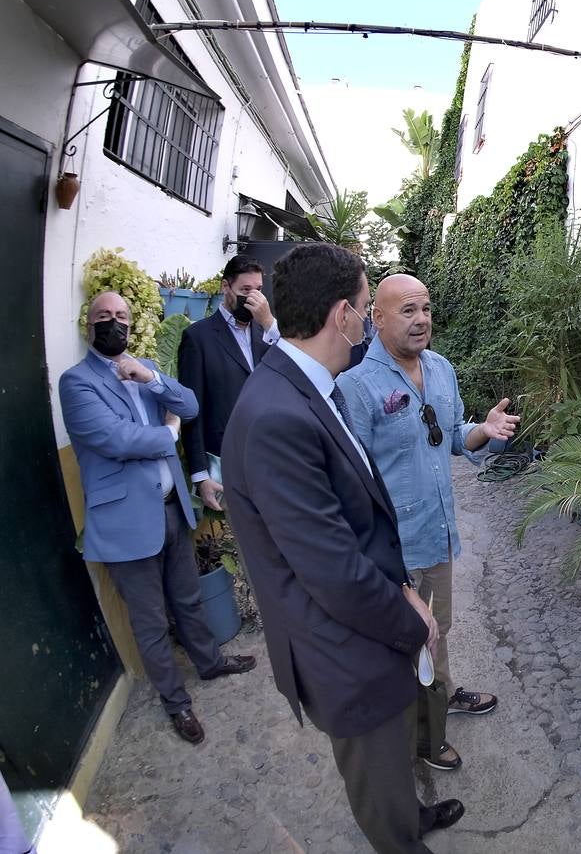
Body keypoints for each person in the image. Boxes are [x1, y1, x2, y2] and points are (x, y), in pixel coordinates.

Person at [221, 245, 462, 853]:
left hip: (369, 619)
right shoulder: (278, 413)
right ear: (342, 316)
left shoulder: (304, 387)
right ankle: (401, 838)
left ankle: (410, 815)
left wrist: (405, 585)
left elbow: (355, 515)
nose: (363, 323)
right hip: (342, 645)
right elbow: (332, 571)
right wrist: (412, 623)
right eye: (361, 308)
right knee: (378, 773)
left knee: (393, 767)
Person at [58, 292, 256, 746]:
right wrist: (168, 432)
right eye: (104, 316)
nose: (114, 323)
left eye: (122, 316)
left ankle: (209, 662)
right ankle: (176, 704)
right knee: (150, 621)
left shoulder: (142, 368)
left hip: (171, 510)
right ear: (88, 325)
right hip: (126, 522)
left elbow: (189, 405)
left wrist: (152, 377)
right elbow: (116, 439)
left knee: (187, 600)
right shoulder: (77, 382)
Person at [336, 273, 515, 771]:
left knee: (441, 631)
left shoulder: (440, 368)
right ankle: (423, 737)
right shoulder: (355, 387)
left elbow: (454, 437)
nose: (421, 321)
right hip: (392, 549)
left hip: (438, 534)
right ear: (377, 318)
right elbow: (353, 484)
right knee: (407, 642)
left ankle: (444, 692)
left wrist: (484, 430)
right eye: (407, 311)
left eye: (426, 309)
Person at [177, 254, 280, 511]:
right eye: (245, 290)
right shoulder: (198, 338)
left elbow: (293, 368)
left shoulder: (267, 333)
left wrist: (269, 324)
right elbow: (192, 409)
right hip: (225, 462)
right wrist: (200, 474)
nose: (253, 297)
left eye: (258, 290)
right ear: (226, 287)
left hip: (268, 459)